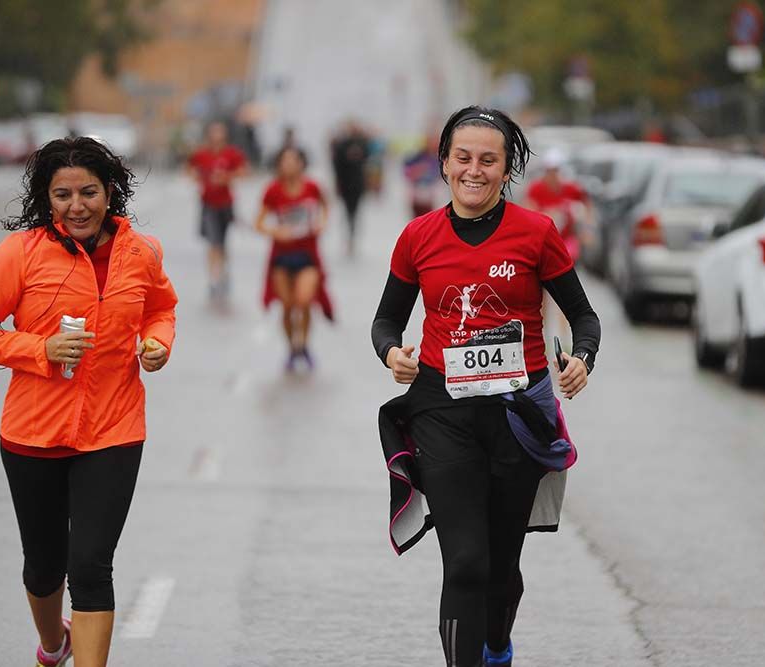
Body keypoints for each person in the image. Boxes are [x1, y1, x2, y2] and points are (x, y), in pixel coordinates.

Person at [372, 106, 601, 667]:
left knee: (501, 570)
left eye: (488, 160)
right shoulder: (417, 237)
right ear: (445, 164)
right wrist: (392, 354)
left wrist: (582, 359)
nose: (474, 170)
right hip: (441, 411)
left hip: (516, 416)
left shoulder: (537, 233)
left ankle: (497, 645)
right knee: (466, 563)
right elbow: (385, 321)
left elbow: (584, 317)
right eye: (463, 158)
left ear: (506, 169)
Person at [0, 137, 178, 667]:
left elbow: (162, 308)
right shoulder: (20, 255)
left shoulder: (141, 252)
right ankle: (54, 645)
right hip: (33, 432)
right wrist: (40, 349)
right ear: (46, 199)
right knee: (43, 567)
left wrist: (158, 343)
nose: (77, 206)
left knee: (92, 566)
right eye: (63, 194)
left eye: (89, 192)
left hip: (113, 429)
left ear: (110, 192)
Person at [254, 146, 334, 371]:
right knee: (288, 306)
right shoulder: (273, 190)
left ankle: (305, 343)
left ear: (301, 163)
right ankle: (292, 348)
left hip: (307, 253)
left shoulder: (312, 187)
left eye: (293, 160)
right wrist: (276, 232)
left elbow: (326, 206)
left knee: (305, 300)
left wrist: (322, 222)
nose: (289, 165)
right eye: (284, 161)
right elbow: (258, 222)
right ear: (279, 164)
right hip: (281, 256)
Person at [525, 148, 590, 345]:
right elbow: (528, 212)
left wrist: (585, 227)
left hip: (566, 247)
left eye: (556, 170)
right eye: (549, 171)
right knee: (542, 297)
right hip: (542, 248)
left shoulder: (572, 189)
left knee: (565, 294)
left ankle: (565, 340)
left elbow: (586, 210)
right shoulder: (536, 189)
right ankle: (543, 339)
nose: (552, 175)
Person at [188, 120, 248, 298]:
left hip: (226, 204)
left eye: (219, 132)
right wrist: (198, 178)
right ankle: (214, 278)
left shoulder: (231, 154)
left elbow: (244, 171)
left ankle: (224, 271)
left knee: (222, 242)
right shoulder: (202, 154)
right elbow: (190, 169)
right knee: (213, 242)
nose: (216, 136)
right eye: (213, 132)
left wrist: (227, 177)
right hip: (208, 204)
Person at [329, 120, 370, 257]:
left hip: (357, 184)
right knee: (347, 212)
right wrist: (337, 184)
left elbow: (367, 159)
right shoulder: (341, 145)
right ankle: (348, 236)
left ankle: (352, 236)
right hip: (346, 184)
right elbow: (337, 165)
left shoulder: (362, 144)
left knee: (355, 212)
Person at [403, 133, 444, 218]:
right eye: (432, 142)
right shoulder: (418, 156)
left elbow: (441, 175)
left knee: (429, 219)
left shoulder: (438, 158)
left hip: (431, 195)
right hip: (418, 192)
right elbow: (407, 171)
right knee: (418, 220)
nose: (434, 145)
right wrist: (418, 170)